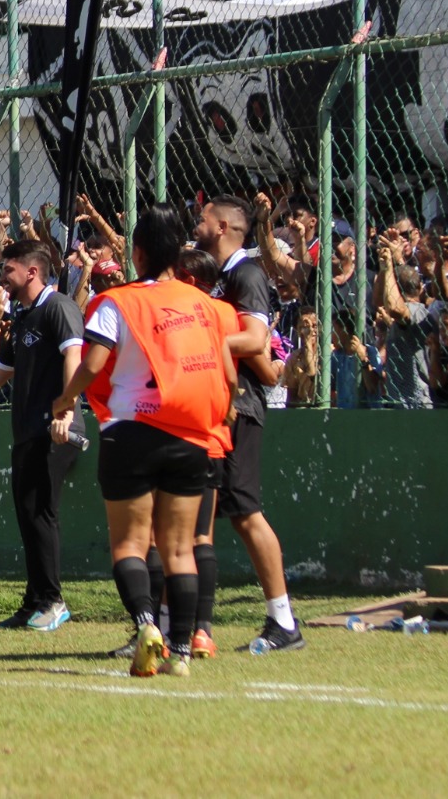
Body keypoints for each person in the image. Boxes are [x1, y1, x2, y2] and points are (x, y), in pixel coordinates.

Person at [50, 204, 236, 677]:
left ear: (136, 252)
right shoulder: (206, 306)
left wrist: (66, 400)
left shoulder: (121, 301)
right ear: (182, 250)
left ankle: (147, 625)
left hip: (130, 431)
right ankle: (182, 650)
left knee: (130, 544)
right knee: (180, 548)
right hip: (191, 434)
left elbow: (93, 363)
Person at [0, 240, 85, 633]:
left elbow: (74, 356)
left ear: (32, 272)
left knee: (41, 513)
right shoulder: (23, 317)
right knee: (28, 514)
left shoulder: (58, 308)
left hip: (55, 428)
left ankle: (53, 602)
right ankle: (34, 600)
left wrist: (67, 410)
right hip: (27, 432)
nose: (1, 277)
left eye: (8, 269)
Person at [194, 195, 303, 652]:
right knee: (199, 519)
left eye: (202, 219)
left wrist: (202, 340)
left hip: (241, 409)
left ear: (222, 226)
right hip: (210, 408)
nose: (195, 224)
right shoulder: (210, 275)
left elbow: (257, 339)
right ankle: (193, 626)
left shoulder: (248, 274)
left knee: (245, 513)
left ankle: (283, 621)